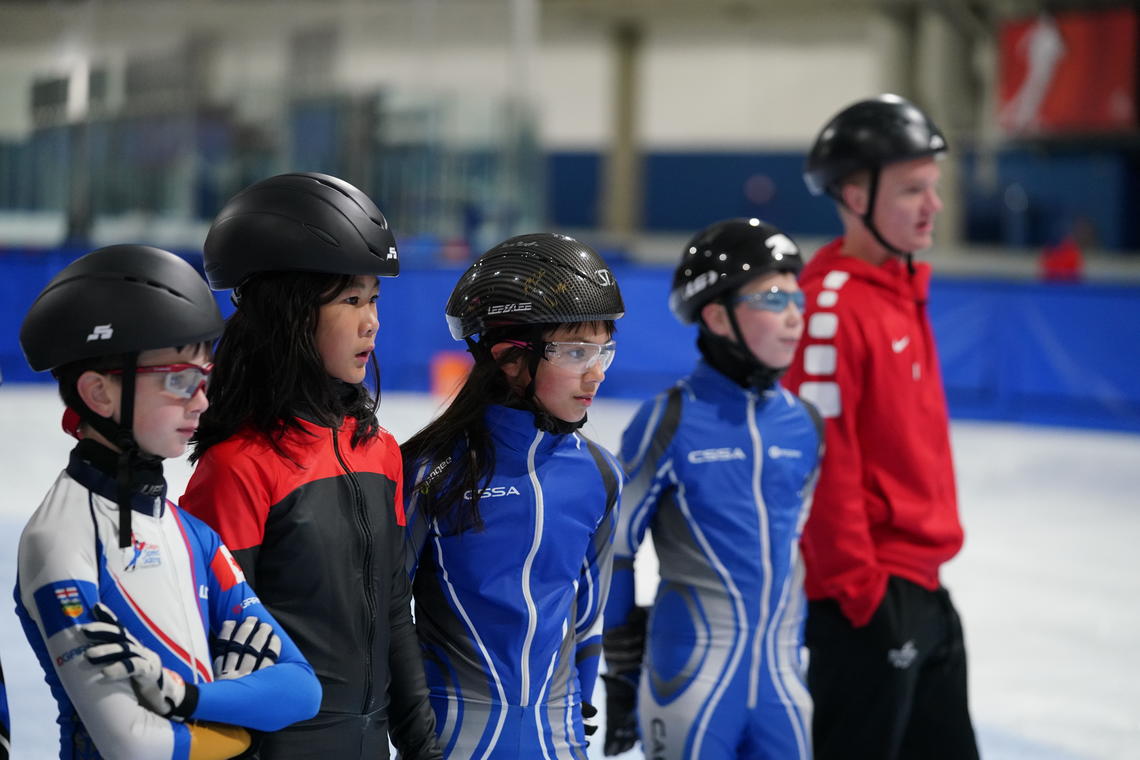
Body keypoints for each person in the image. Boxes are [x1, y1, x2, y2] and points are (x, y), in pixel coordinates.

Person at [15, 244, 322, 760]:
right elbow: (134, 744)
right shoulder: (61, 539)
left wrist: (184, 696)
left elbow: (301, 691)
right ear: (99, 394)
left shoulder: (190, 533)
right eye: (180, 379)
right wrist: (240, 727)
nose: (202, 400)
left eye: (205, 378)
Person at [180, 172, 442, 760]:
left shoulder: (378, 451)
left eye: (373, 298)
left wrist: (423, 745)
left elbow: (396, 614)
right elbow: (210, 646)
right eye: (350, 300)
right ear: (289, 315)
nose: (371, 320)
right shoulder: (238, 467)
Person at [783, 94, 980, 759]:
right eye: (912, 190)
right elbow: (819, 461)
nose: (934, 206)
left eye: (935, 187)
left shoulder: (900, 288)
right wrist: (857, 594)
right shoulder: (830, 307)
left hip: (923, 586)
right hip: (868, 599)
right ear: (852, 193)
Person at [601, 218, 822, 760]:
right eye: (773, 298)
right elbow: (616, 552)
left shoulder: (806, 425)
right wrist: (622, 670)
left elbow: (791, 550)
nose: (795, 317)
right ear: (717, 315)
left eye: (798, 298)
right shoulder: (667, 421)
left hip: (784, 681)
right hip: (692, 680)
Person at [401, 232, 625, 759]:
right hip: (451, 736)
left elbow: (589, 621)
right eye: (575, 352)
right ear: (509, 357)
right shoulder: (430, 471)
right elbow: (387, 613)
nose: (595, 372)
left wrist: (578, 714)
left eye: (604, 351)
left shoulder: (598, 473)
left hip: (559, 736)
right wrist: (410, 729)